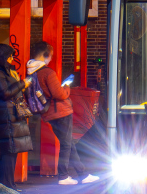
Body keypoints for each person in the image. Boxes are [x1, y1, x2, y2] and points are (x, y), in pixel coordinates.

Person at [28, 42, 98, 186]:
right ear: (45, 55)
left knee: (69, 143)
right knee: (67, 144)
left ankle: (82, 174)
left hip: (49, 113)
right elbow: (59, 94)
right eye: (50, 56)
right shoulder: (47, 72)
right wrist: (66, 87)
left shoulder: (32, 72)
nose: (51, 59)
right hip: (60, 112)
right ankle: (63, 176)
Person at [0, 45, 33, 189]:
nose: (12, 59)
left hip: (11, 115)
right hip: (6, 116)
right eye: (9, 57)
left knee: (12, 151)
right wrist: (22, 83)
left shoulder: (6, 72)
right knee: (9, 150)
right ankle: (6, 185)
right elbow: (5, 93)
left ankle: (8, 184)